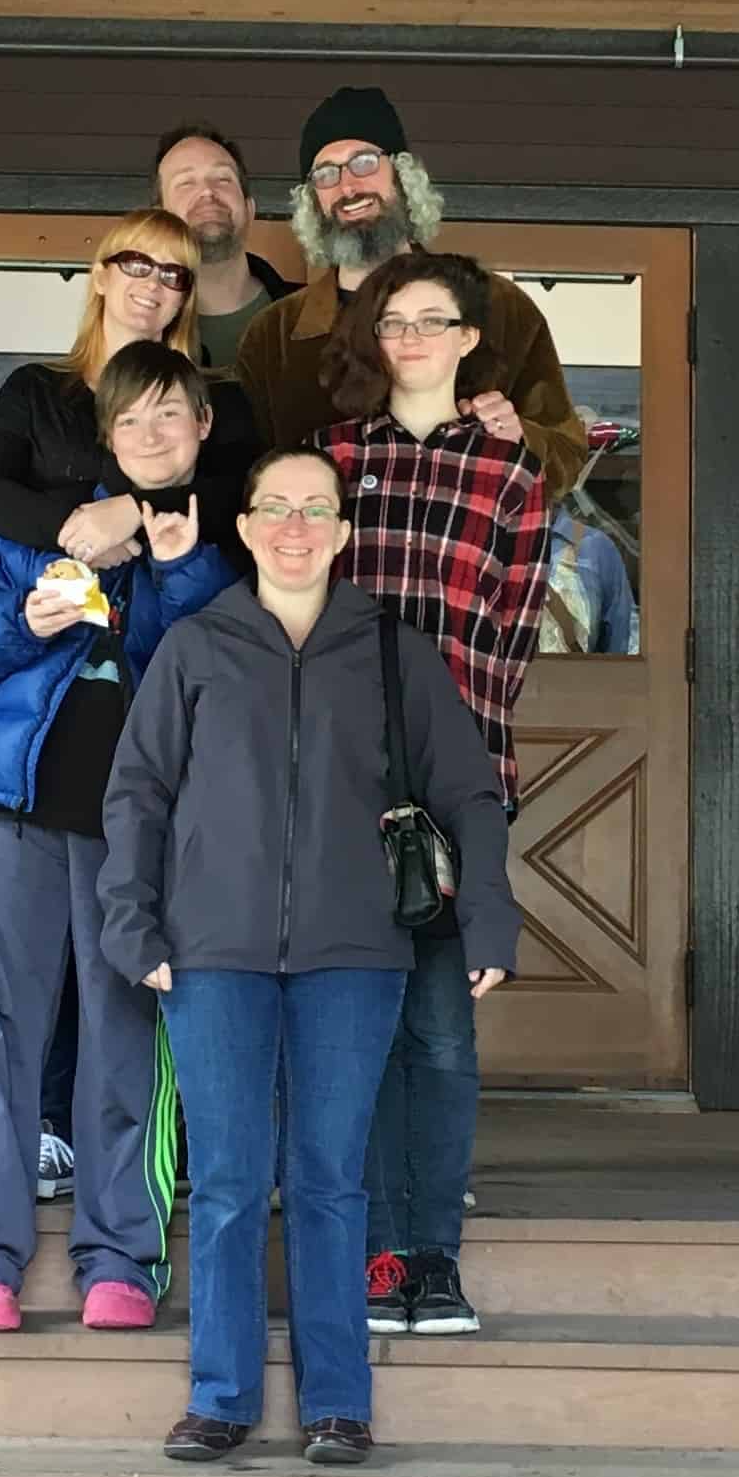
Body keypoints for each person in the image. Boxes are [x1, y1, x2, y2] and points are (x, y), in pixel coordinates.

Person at [103, 447, 515, 1467]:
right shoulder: (196, 648)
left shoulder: (391, 650)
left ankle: (339, 1402)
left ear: (341, 531)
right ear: (243, 526)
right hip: (212, 953)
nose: (295, 526)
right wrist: (133, 929)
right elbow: (137, 796)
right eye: (275, 507)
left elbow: (468, 792)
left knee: (332, 1181)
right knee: (234, 1181)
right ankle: (221, 1397)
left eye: (315, 510)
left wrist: (492, 919)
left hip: (355, 952)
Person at [0, 345, 239, 1333]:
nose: (155, 435)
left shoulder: (215, 553)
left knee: (128, 1038)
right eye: (134, 420)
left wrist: (182, 564)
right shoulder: (41, 533)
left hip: (139, 835)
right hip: (14, 810)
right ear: (106, 436)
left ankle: (122, 1255)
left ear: (202, 431)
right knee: (3, 1035)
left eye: (173, 417)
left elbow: (223, 672)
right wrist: (28, 616)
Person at [315, 252, 551, 1341]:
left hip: (456, 777)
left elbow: (511, 635)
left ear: (469, 340)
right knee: (353, 1027)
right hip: (337, 779)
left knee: (444, 1033)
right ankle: (373, 1254)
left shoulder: (508, 475)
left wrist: (467, 769)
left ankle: (435, 1262)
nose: (411, 337)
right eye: (392, 321)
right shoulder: (335, 462)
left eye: (433, 321)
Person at [232, 84, 588, 503]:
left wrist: (520, 437)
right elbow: (248, 480)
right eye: (326, 173)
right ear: (312, 198)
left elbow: (567, 453)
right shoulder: (273, 338)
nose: (347, 187)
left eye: (364, 162)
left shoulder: (496, 307)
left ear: (402, 172)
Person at [0, 209, 258, 561]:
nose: (154, 283)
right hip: (58, 603)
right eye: (137, 264)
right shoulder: (33, 389)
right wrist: (84, 536)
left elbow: (245, 494)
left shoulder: (221, 395)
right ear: (100, 278)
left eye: (173, 274)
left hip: (189, 605)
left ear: (184, 298)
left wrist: (133, 511)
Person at [152, 119, 292, 372]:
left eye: (223, 179)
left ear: (250, 210)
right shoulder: (139, 330)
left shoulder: (316, 317)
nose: (207, 192)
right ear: (159, 219)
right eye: (185, 182)